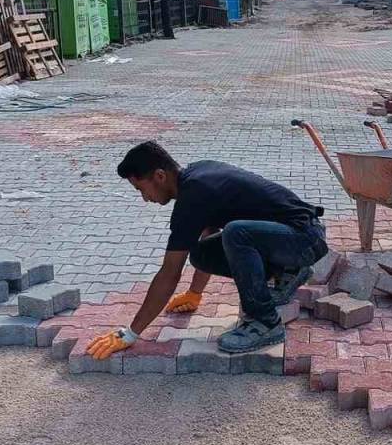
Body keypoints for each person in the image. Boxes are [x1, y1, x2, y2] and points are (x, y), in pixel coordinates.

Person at [85, 141, 328, 358]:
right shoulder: (198, 176)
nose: (144, 198)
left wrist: (130, 334)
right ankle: (288, 270)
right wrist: (194, 293)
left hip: (303, 239)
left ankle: (266, 322)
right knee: (202, 253)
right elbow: (209, 233)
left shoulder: (193, 198)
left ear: (159, 176)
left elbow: (169, 273)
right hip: (293, 237)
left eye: (141, 189)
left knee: (236, 233)